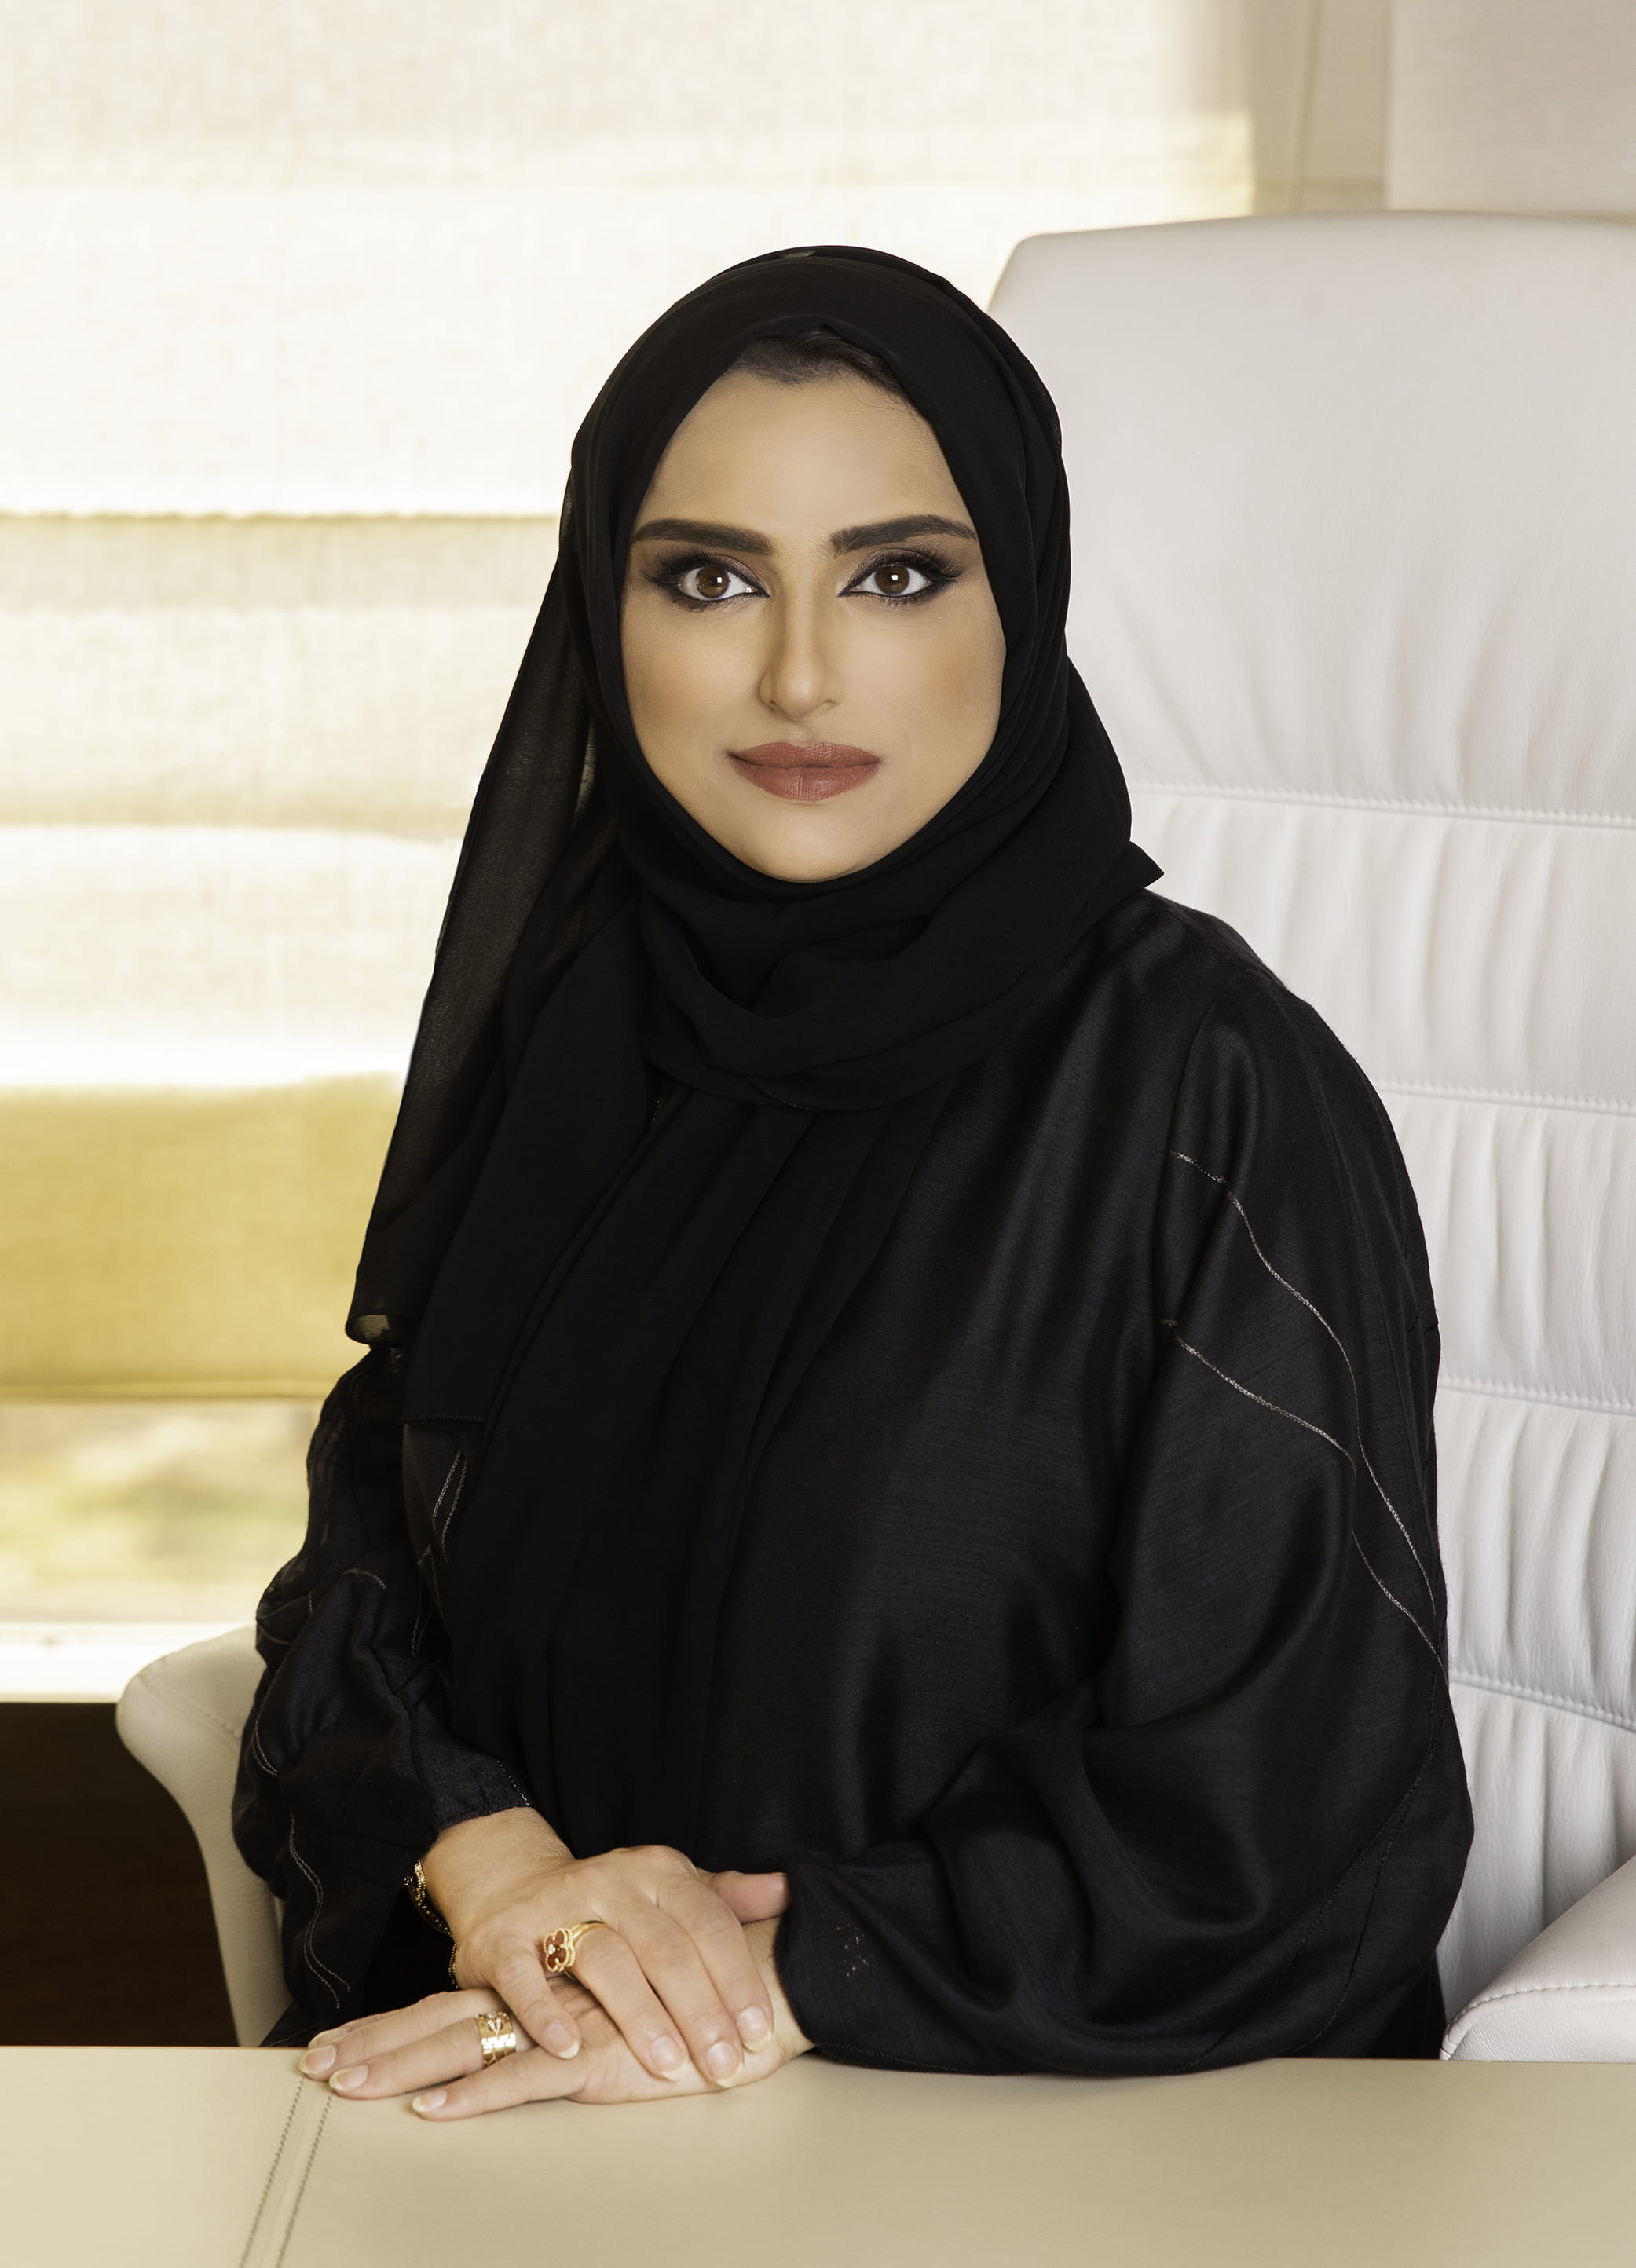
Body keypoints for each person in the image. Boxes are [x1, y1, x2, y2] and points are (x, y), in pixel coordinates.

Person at [236, 246, 1471, 2120]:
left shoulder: (1208, 1087)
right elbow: (368, 1553)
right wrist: (494, 1870)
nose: (799, 671)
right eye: (707, 577)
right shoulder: (575, 1034)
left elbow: (1293, 1787)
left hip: (1029, 2128)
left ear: (1018, 599)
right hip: (513, 2070)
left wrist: (758, 1978)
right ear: (603, 613)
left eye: (896, 575)